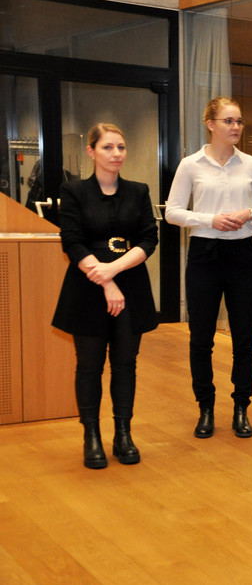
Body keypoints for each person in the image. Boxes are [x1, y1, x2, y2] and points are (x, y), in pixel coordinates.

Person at [52, 123, 158, 469]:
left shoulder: (138, 191)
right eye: (108, 147)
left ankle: (123, 434)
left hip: (131, 285)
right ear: (91, 152)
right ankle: (92, 436)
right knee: (89, 365)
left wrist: (114, 270)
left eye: (121, 147)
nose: (116, 154)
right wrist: (106, 280)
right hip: (87, 287)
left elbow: (148, 239)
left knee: (126, 363)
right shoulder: (73, 191)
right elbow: (72, 241)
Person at [166, 97, 252, 439]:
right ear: (210, 124)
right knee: (201, 337)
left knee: (244, 337)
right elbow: (172, 212)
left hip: (243, 254)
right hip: (204, 254)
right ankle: (206, 408)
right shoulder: (190, 165)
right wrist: (209, 219)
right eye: (229, 121)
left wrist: (249, 214)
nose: (236, 127)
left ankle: (241, 407)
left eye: (239, 121)